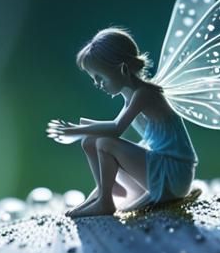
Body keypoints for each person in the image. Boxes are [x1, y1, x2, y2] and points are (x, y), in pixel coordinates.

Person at [47, 27, 197, 218]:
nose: (97, 84)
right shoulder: (131, 95)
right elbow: (111, 125)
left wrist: (77, 130)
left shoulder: (145, 94)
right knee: (90, 142)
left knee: (104, 143)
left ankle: (105, 202)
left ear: (123, 69)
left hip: (173, 173)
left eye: (100, 78)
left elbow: (116, 129)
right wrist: (81, 131)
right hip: (161, 167)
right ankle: (106, 189)